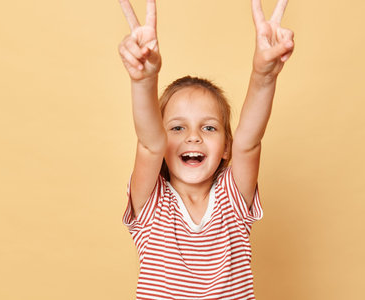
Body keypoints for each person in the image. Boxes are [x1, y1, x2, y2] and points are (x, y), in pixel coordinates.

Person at [118, 0, 294, 299]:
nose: (193, 137)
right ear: (163, 142)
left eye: (209, 127)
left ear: (227, 147)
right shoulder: (151, 204)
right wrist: (144, 80)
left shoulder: (233, 199)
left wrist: (264, 76)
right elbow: (148, 144)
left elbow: (250, 141)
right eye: (177, 127)